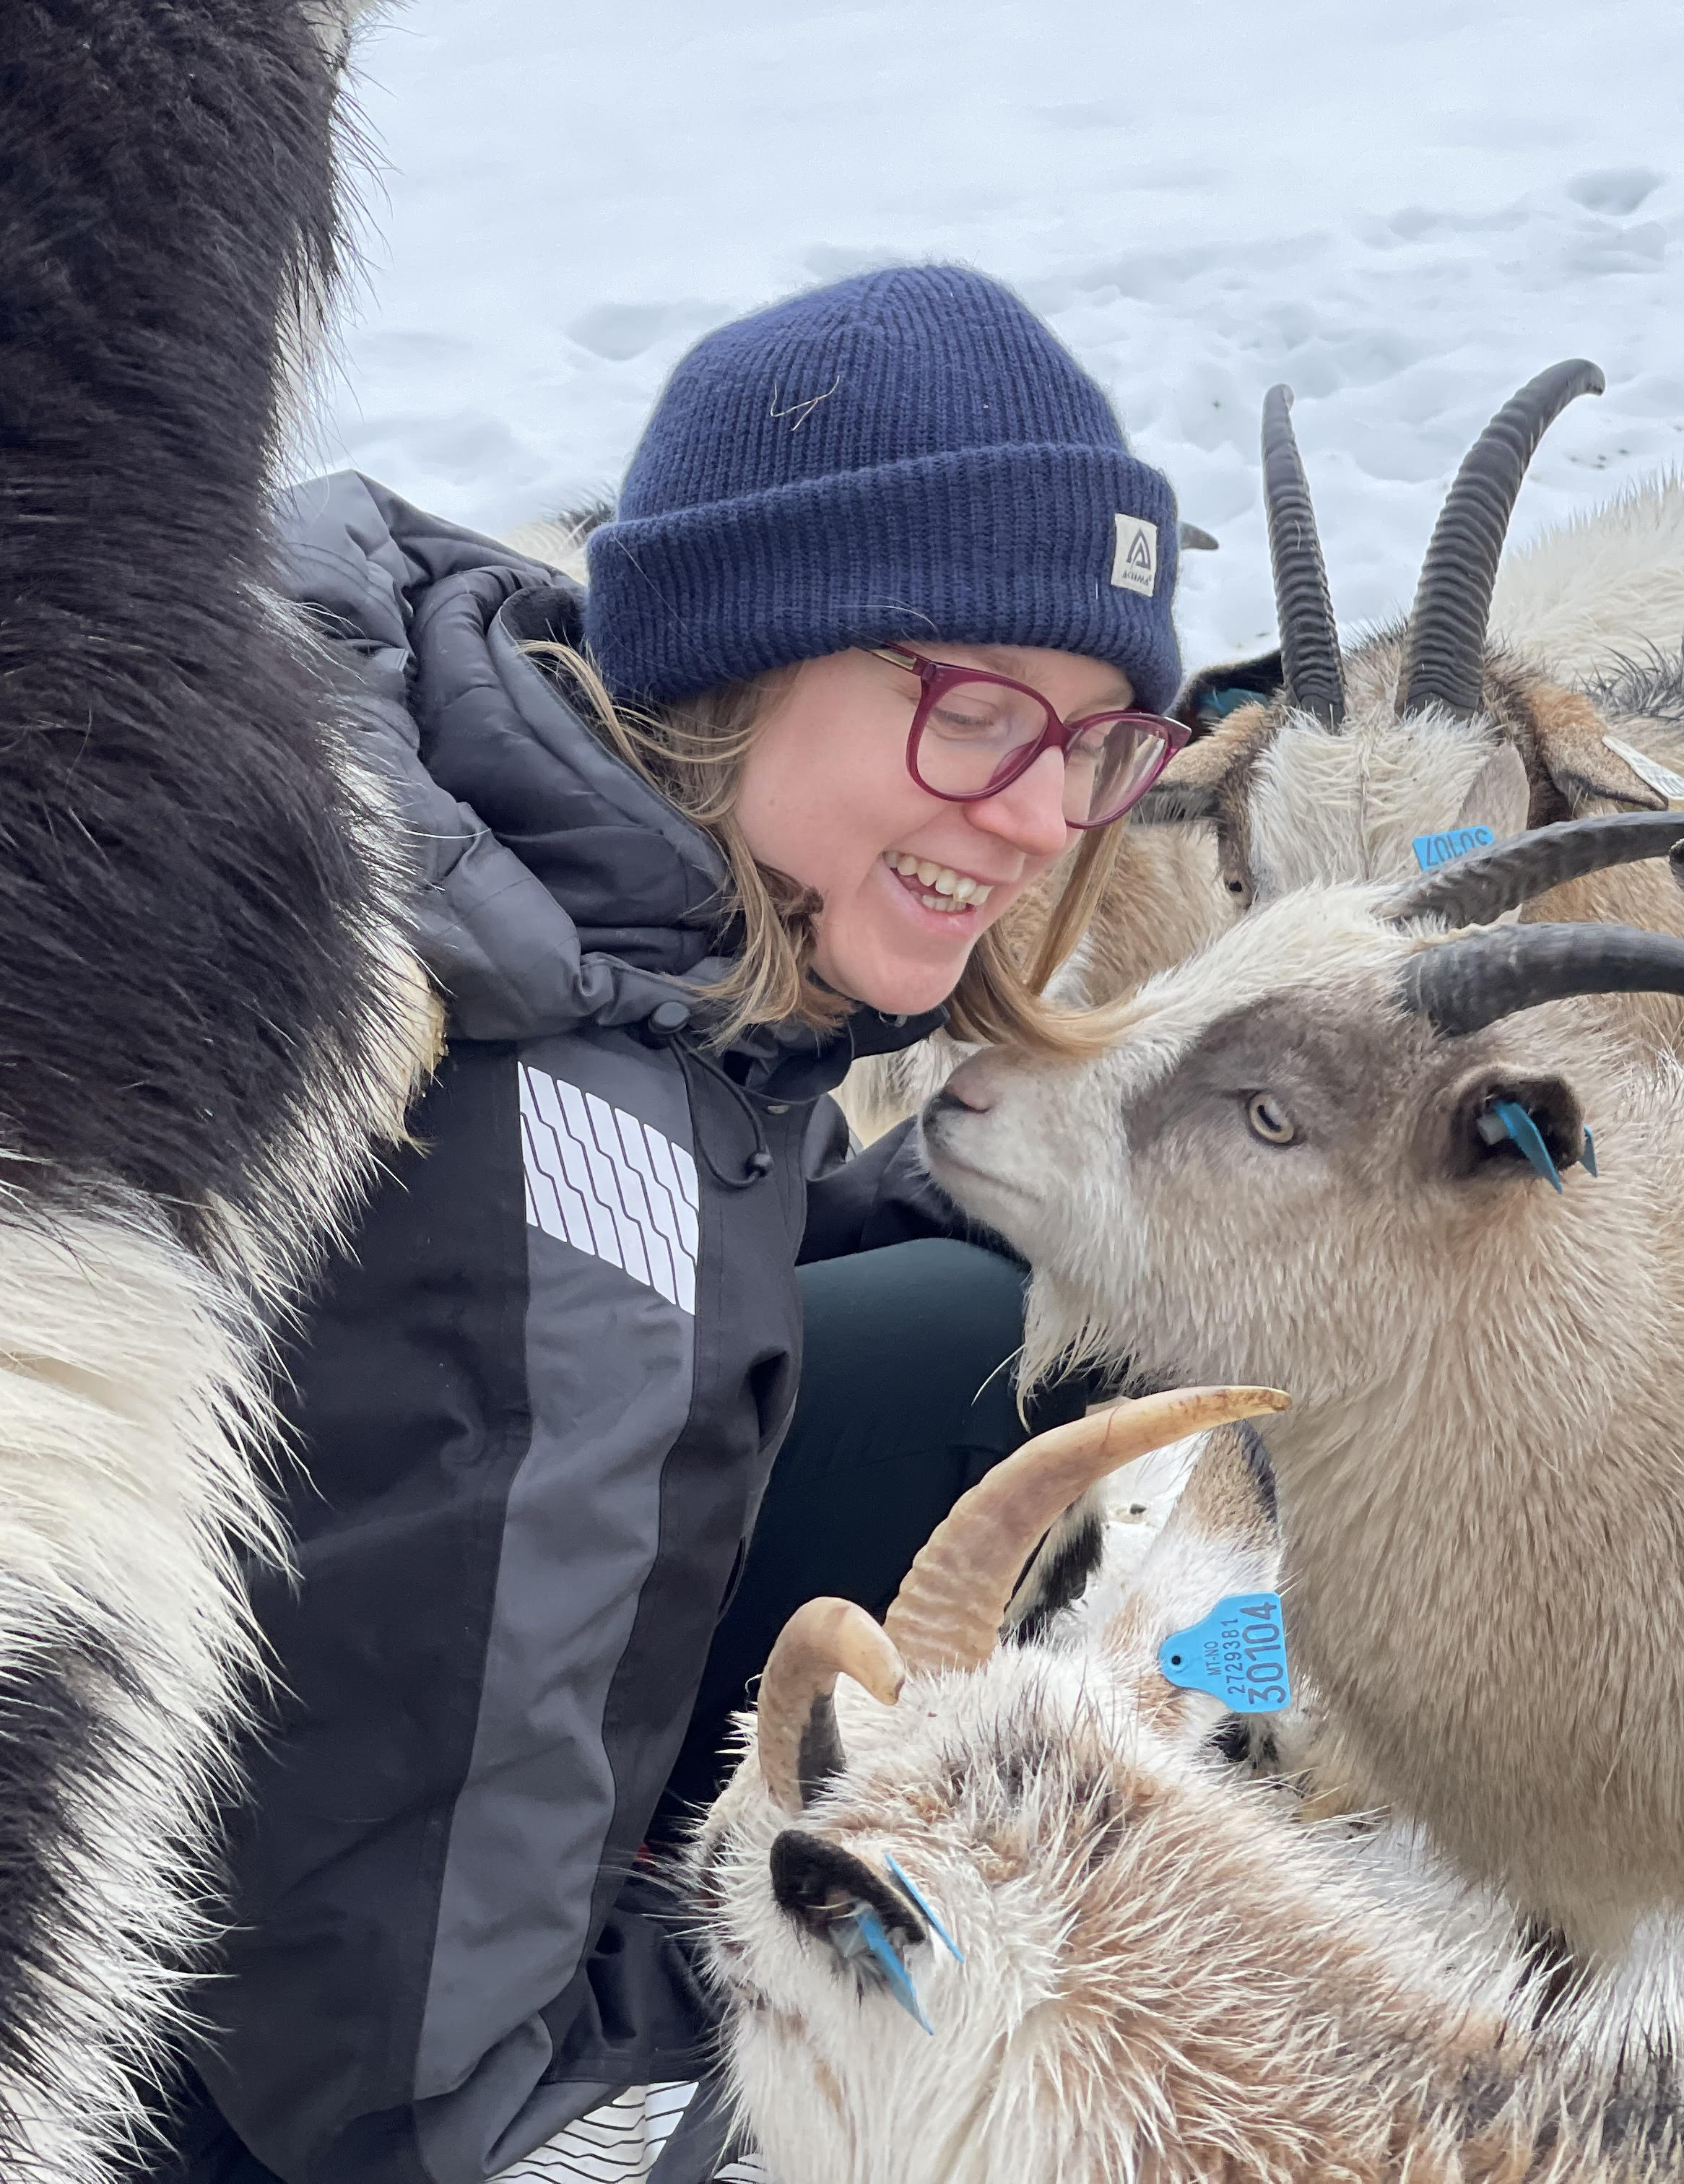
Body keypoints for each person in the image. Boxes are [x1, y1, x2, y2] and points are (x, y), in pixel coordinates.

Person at [160, 264, 1186, 2184]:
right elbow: (400, 2096)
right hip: (282, 2091)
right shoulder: (564, 1176)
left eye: (1104, 738)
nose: (1047, 819)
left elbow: (717, 1238)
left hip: (324, 1857)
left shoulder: (590, 894)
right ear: (746, 647)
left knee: (1012, 1318)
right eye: (976, 712)